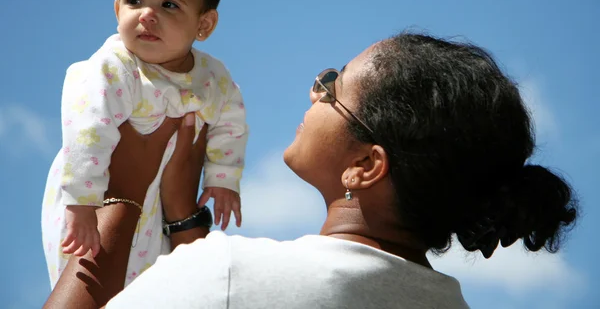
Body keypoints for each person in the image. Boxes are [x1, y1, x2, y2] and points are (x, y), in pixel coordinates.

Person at [45, 32, 578, 309]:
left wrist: (125, 192)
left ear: (365, 166)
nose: (314, 91)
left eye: (333, 85)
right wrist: (185, 221)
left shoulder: (229, 275)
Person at [41, 0, 249, 289]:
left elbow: (231, 122)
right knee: (91, 265)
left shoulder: (213, 77)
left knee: (151, 285)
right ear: (118, 10)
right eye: (134, 0)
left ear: (204, 24)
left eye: (169, 5)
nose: (147, 15)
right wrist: (81, 201)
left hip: (162, 210)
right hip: (96, 193)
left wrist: (223, 178)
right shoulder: (113, 66)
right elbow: (86, 131)